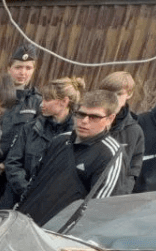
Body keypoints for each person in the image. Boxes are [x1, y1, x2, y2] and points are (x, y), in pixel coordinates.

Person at [16, 90, 124, 225]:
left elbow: (98, 210)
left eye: (94, 117)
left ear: (110, 118)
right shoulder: (60, 140)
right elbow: (34, 181)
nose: (84, 121)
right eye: (81, 114)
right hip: (24, 223)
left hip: (56, 235)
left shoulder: (110, 155)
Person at [0, 76, 85, 208]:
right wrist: (26, 190)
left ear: (64, 101)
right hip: (15, 199)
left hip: (49, 206)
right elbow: (13, 162)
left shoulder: (77, 136)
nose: (41, 103)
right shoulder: (30, 128)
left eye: (47, 99)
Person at [96, 70, 145, 194]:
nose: (112, 98)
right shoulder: (84, 118)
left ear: (129, 94)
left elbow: (132, 171)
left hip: (108, 198)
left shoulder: (134, 131)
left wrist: (118, 195)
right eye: (108, 93)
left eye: (118, 94)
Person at [0, 43, 43, 160]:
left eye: (28, 68)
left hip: (13, 164)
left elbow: (33, 140)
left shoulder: (36, 102)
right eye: (18, 67)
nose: (23, 73)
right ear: (9, 69)